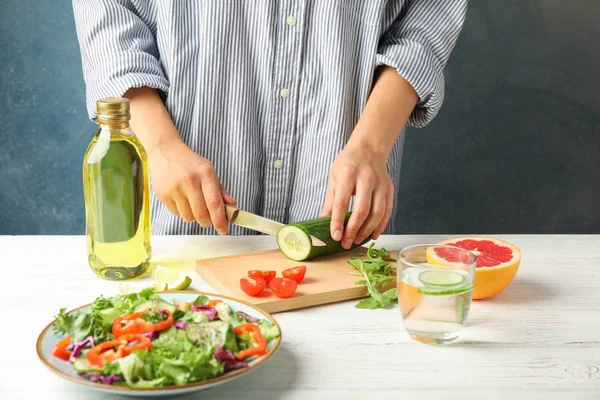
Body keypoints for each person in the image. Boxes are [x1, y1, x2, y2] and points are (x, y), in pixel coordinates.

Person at [72, 1, 467, 249]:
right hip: (185, 230)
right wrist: (161, 146)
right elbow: (109, 20)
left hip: (337, 211)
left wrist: (370, 147)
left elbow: (423, 25)